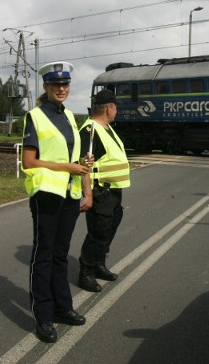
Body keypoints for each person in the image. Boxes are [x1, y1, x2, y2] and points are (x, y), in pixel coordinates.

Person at [21, 61, 93, 343]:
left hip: (69, 195)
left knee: (61, 255)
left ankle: (63, 307)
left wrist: (82, 165)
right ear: (46, 87)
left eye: (65, 84)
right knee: (44, 255)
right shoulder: (35, 117)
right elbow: (29, 161)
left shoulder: (70, 118)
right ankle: (43, 317)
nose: (61, 89)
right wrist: (68, 167)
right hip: (47, 196)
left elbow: (70, 157)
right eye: (56, 85)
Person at [77, 89, 131, 293]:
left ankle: (99, 264)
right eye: (115, 107)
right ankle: (86, 272)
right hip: (100, 191)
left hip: (113, 191)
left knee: (109, 228)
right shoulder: (90, 130)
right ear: (109, 108)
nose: (116, 111)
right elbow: (84, 165)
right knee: (98, 232)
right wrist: (88, 194)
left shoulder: (106, 128)